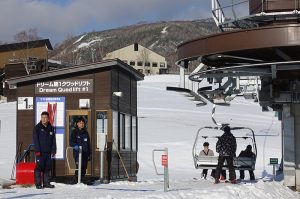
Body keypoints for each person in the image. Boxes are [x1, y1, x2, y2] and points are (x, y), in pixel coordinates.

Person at [33, 111, 56, 189]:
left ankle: (46, 183)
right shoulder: (37, 128)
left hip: (48, 152)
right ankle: (38, 184)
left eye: (45, 117)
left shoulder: (51, 128)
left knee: (47, 168)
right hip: (40, 152)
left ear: (48, 118)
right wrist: (37, 151)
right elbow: (35, 140)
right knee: (39, 168)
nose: (44, 119)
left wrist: (53, 150)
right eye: (42, 117)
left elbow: (53, 140)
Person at [70, 117, 91, 184]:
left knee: (84, 168)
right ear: (77, 124)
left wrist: (90, 154)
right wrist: (75, 146)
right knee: (79, 167)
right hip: (77, 153)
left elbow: (88, 144)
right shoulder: (74, 132)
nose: (81, 124)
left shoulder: (86, 133)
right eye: (80, 123)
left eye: (82, 123)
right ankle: (76, 180)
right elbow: (71, 142)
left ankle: (82, 179)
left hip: (85, 153)